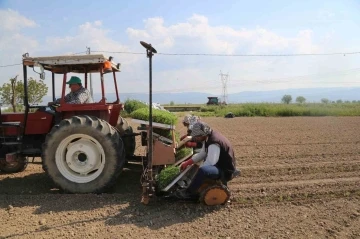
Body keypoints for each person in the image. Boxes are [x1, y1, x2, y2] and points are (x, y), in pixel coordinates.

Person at [176, 121, 238, 199]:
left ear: (203, 134)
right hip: (220, 164)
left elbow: (211, 162)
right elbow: (203, 153)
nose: (196, 138)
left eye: (197, 136)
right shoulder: (208, 137)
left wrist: (197, 172)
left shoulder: (213, 143)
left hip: (225, 170)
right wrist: (188, 162)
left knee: (203, 170)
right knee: (199, 166)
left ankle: (190, 193)